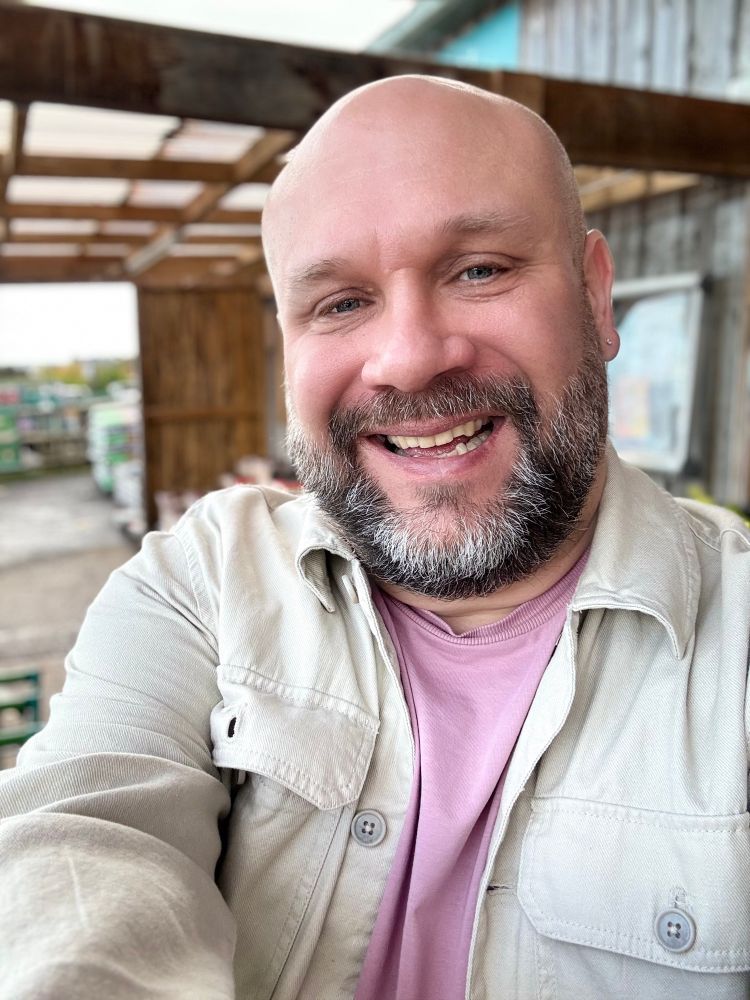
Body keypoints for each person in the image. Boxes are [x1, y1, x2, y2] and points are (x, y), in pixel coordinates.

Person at [2, 75, 749, 1000]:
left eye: (479, 269)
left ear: (597, 298)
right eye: (340, 302)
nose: (408, 356)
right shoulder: (201, 581)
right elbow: (84, 835)